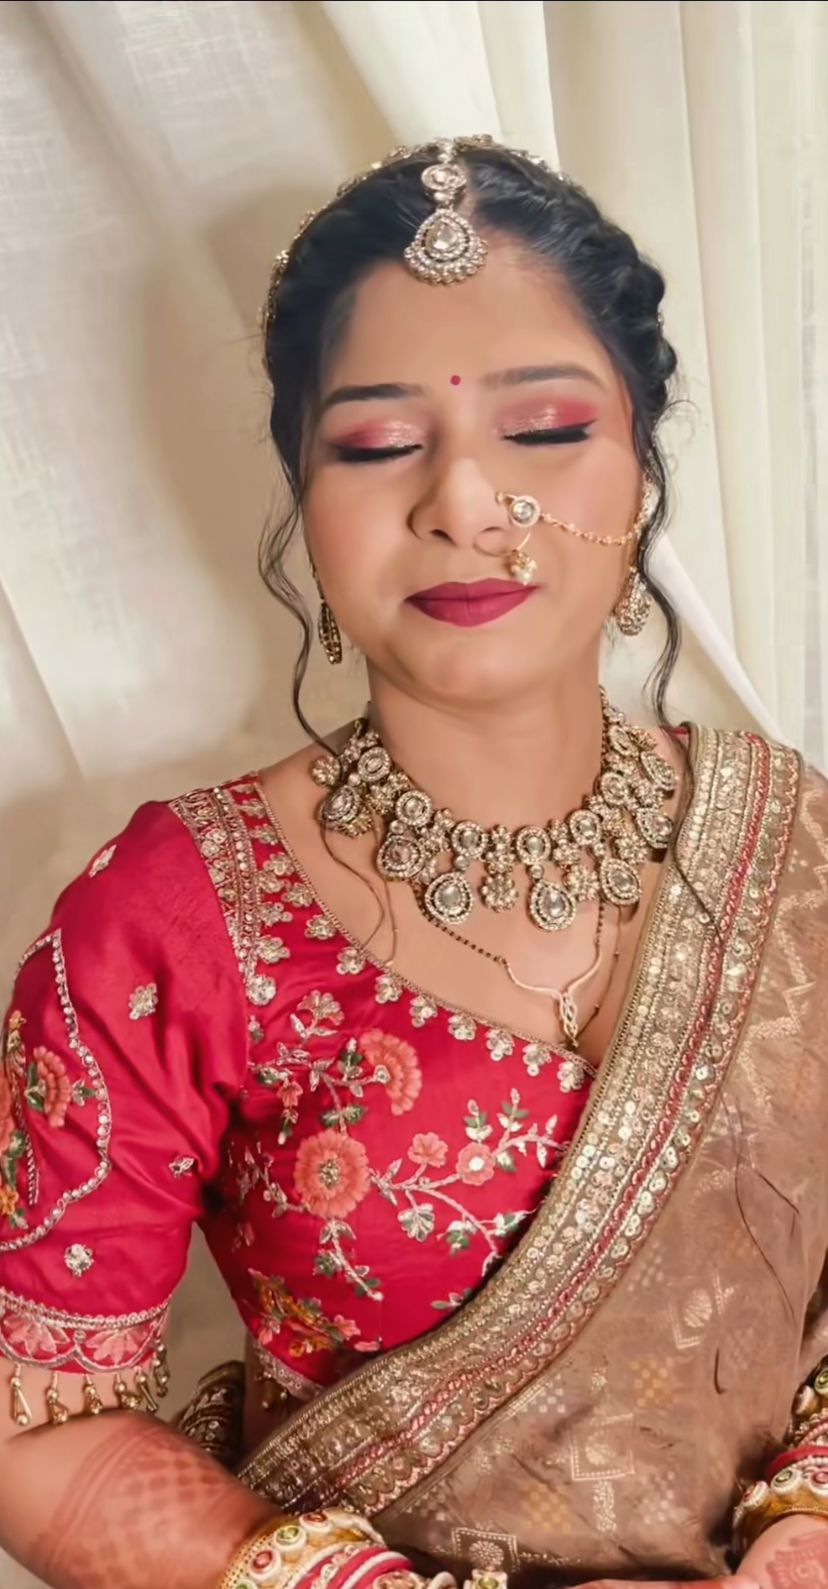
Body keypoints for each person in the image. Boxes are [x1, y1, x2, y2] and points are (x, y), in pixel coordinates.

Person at [0, 135, 826, 1589]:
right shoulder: (168, 919)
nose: (462, 501)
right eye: (379, 445)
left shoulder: (796, 849)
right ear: (303, 500)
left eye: (545, 428)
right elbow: (36, 1423)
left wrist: (803, 1531)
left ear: (642, 471)